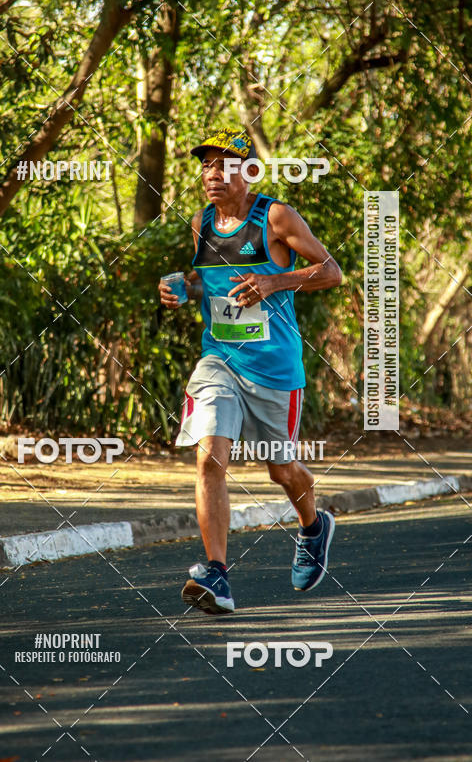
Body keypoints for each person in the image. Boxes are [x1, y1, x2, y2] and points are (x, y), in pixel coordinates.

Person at [158, 128, 342, 614]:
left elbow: (331, 271)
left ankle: (313, 526)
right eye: (206, 165)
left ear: (249, 170)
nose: (212, 174)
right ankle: (216, 574)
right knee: (208, 458)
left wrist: (274, 281)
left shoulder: (275, 216)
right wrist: (184, 290)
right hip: (219, 359)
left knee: (280, 468)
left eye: (224, 164)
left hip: (275, 369)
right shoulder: (201, 222)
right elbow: (210, 285)